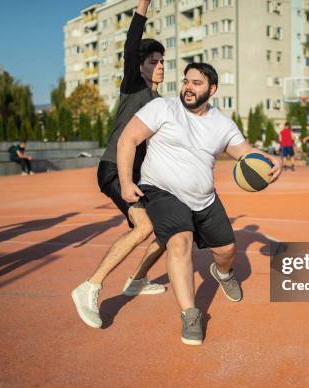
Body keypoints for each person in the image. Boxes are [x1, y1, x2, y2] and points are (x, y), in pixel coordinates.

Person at [118, 63, 282, 345]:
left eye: (196, 83)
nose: (188, 87)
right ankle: (190, 314)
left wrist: (271, 158)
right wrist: (125, 182)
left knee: (228, 250)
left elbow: (243, 152)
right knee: (179, 242)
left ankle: (222, 273)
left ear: (212, 90)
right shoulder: (163, 109)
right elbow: (128, 139)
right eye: (186, 81)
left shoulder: (222, 123)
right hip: (161, 190)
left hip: (204, 199)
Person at [72, 0, 167, 329]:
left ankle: (137, 280)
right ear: (141, 66)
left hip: (138, 176)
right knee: (143, 228)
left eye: (162, 61)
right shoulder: (134, 87)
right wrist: (143, 5)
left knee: (170, 227)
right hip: (114, 168)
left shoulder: (161, 104)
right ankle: (90, 286)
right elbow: (131, 45)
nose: (159, 66)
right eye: (153, 61)